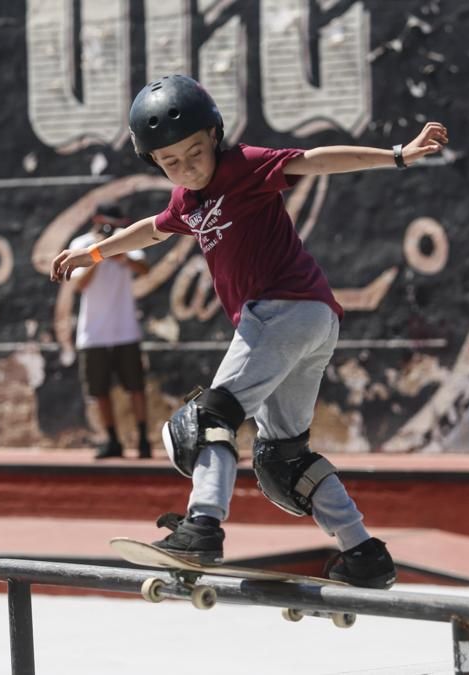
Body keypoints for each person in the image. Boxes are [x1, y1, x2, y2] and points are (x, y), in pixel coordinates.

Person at [51, 74, 447, 589]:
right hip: (313, 322)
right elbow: (151, 229)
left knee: (208, 419)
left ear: (214, 136)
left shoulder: (244, 165)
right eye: (170, 162)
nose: (186, 167)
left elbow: (316, 159)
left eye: (194, 153)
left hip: (280, 312)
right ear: (155, 163)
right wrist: (94, 252)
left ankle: (202, 527)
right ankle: (364, 554)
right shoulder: (185, 203)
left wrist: (398, 154)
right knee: (284, 456)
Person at [68, 203, 153, 459]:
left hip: (125, 329)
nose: (112, 230)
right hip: (93, 333)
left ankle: (143, 440)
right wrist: (97, 254)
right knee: (99, 390)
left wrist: (120, 253)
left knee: (135, 387)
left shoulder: (125, 240)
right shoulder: (81, 243)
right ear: (96, 221)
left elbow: (144, 270)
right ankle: (112, 440)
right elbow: (80, 284)